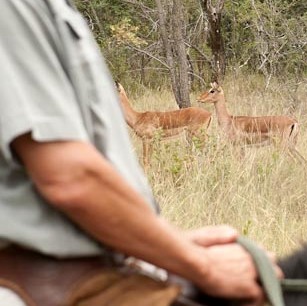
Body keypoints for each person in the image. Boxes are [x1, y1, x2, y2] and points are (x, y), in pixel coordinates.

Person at [0, 0, 281, 305]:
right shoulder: (16, 7)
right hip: (53, 284)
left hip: (112, 262)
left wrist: (163, 247)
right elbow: (70, 180)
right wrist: (204, 266)